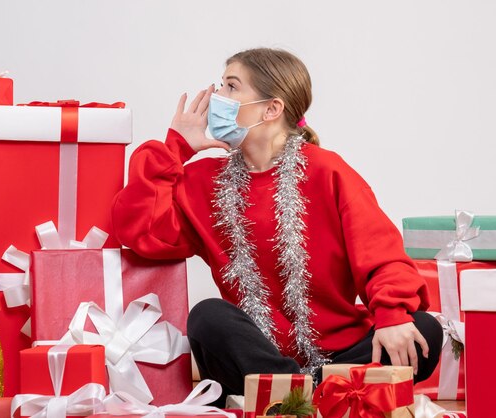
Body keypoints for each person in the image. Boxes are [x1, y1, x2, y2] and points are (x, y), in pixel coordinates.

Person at [112, 48, 443, 403]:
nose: (216, 98)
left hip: (341, 355)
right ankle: (317, 393)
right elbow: (140, 231)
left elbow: (382, 255)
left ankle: (296, 395)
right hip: (255, 357)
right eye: (222, 85)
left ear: (271, 109)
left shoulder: (327, 171)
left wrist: (392, 315)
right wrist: (176, 148)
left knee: (425, 329)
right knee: (207, 317)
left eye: (231, 87)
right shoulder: (202, 181)